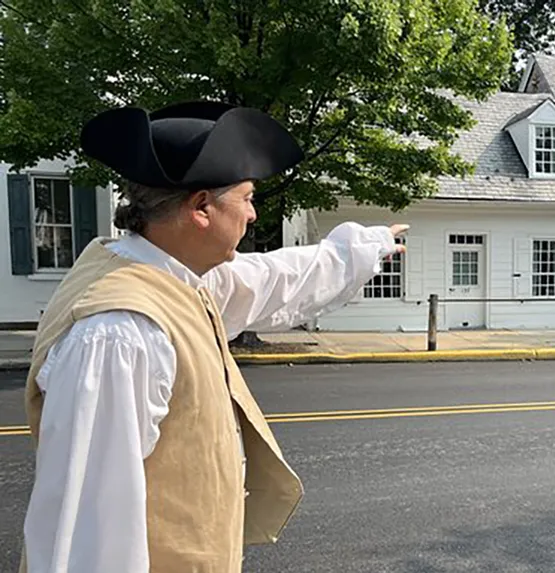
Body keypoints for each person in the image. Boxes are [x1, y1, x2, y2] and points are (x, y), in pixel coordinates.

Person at [17, 101, 407, 573]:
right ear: (201, 208)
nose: (253, 214)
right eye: (246, 198)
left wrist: (366, 248)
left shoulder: (173, 279)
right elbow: (87, 539)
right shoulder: (119, 333)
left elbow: (271, 278)